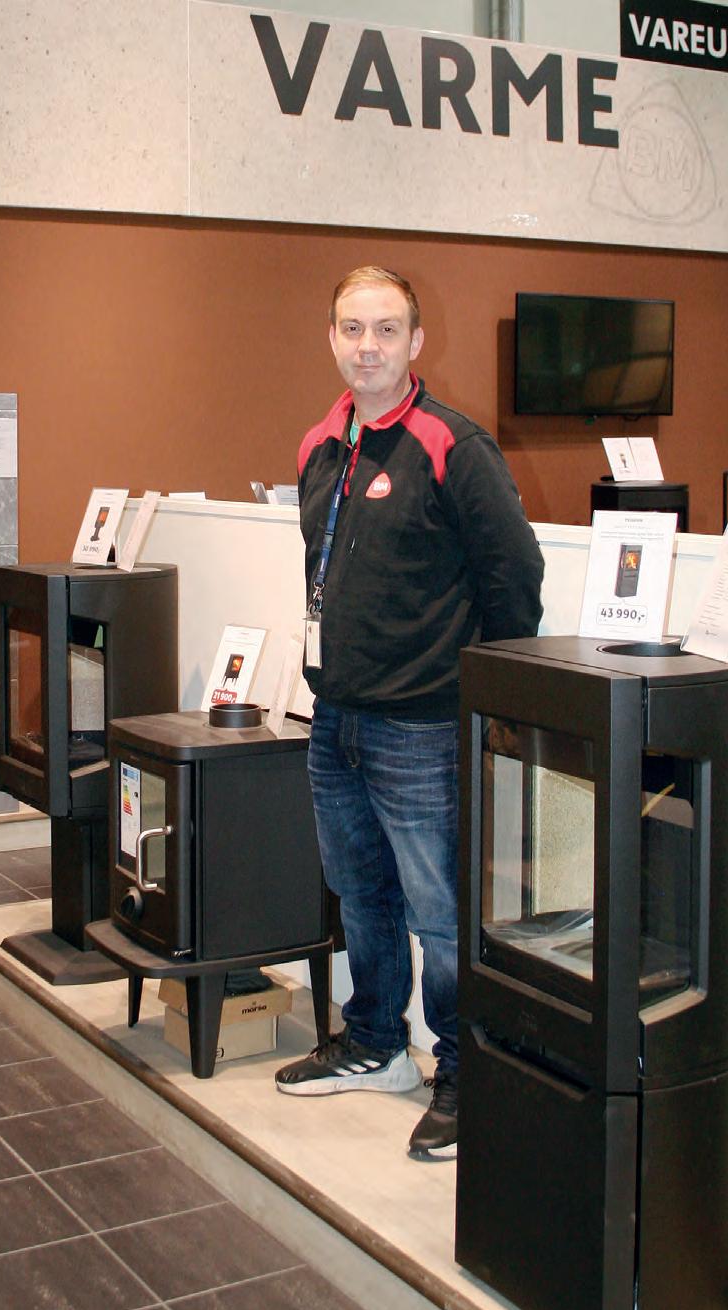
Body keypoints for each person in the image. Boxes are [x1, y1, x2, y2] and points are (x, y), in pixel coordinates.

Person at [274, 265, 544, 1161]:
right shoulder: (321, 444)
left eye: (385, 330)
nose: (368, 347)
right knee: (361, 893)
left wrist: (492, 693)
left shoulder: (452, 446)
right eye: (352, 329)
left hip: (423, 725)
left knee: (441, 909)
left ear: (415, 342)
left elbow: (514, 576)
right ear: (331, 337)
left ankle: (468, 1073)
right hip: (336, 718)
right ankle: (376, 1041)